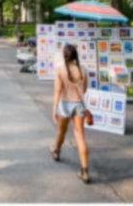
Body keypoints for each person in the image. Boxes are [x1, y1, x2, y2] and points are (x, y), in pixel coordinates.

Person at [51, 44, 90, 184]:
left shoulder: (60, 70)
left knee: (61, 132)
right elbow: (84, 90)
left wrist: (54, 109)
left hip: (65, 104)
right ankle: (85, 170)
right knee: (80, 136)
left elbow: (57, 91)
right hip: (79, 105)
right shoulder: (83, 69)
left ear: (64, 55)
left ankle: (56, 151)